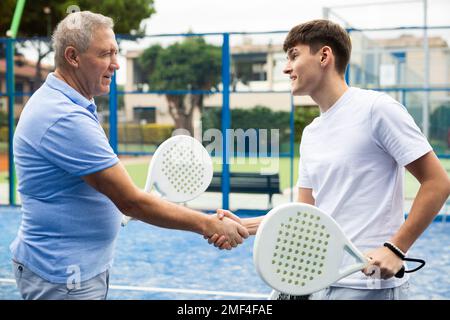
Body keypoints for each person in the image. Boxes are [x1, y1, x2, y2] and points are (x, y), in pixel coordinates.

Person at [10, 11, 248, 300]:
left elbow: (111, 193)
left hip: (72, 270)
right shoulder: (63, 116)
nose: (116, 63)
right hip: (64, 275)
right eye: (105, 54)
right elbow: (130, 200)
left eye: (116, 52)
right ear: (73, 57)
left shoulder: (67, 102)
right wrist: (208, 224)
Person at [209, 19, 450, 300]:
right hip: (318, 283)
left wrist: (397, 248)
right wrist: (243, 226)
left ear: (324, 56)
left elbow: (437, 182)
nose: (286, 68)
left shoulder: (377, 109)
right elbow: (304, 215)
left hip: (367, 288)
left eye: (294, 56)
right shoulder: (311, 133)